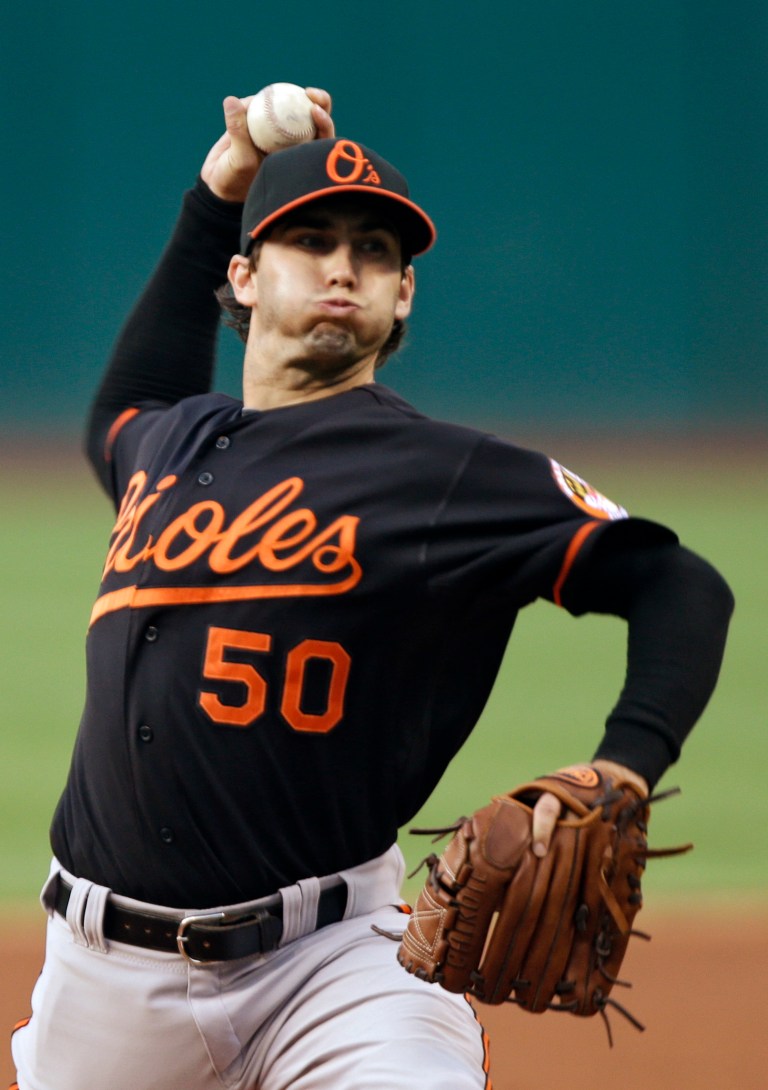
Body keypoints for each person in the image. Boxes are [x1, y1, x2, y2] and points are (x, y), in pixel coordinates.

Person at [11, 88, 733, 1090]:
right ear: (245, 278)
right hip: (101, 987)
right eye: (310, 238)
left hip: (335, 965)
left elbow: (679, 583)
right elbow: (127, 400)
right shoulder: (170, 447)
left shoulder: (444, 473)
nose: (346, 263)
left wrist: (627, 764)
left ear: (403, 298)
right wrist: (218, 187)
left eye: (378, 250)